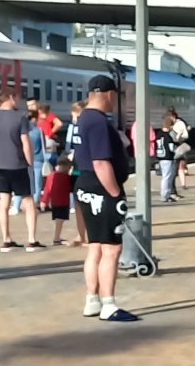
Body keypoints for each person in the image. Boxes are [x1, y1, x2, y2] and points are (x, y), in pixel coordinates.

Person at [74, 75, 140, 322]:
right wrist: (115, 194)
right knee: (112, 248)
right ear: (109, 94)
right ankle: (109, 304)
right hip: (101, 189)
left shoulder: (83, 118)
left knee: (95, 247)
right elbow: (101, 162)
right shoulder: (99, 122)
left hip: (85, 185)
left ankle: (92, 300)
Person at [0, 91, 37, 252]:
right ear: (11, 97)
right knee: (28, 202)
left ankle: (6, 239)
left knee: (4, 203)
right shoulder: (20, 117)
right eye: (17, 97)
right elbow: (25, 142)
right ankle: (31, 240)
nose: (18, 100)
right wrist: (30, 163)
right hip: (18, 165)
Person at [65, 101, 88, 247]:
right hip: (75, 168)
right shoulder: (72, 128)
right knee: (79, 204)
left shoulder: (86, 127)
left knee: (86, 205)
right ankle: (81, 235)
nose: (74, 118)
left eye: (76, 115)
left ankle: (89, 236)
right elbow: (68, 147)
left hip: (85, 169)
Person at [40, 154, 75, 246]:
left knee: (59, 220)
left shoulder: (51, 176)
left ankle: (57, 237)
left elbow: (47, 189)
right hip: (63, 202)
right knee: (60, 220)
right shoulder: (66, 177)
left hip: (55, 202)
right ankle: (56, 238)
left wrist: (44, 200)